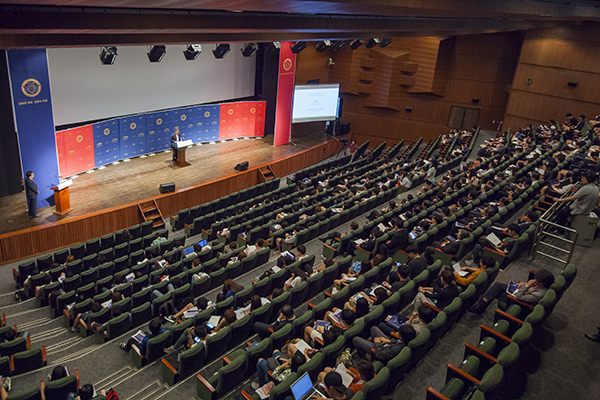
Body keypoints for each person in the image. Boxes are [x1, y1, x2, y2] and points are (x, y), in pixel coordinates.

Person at [469, 269, 555, 314]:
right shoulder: (539, 285)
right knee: (497, 285)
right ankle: (482, 304)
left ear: (541, 283)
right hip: (520, 290)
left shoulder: (539, 294)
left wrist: (526, 286)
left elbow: (520, 297)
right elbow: (531, 286)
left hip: (517, 300)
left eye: (536, 279)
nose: (534, 280)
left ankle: (481, 304)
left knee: (495, 291)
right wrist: (523, 284)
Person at [352, 324, 417, 364]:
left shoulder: (396, 349)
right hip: (389, 345)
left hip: (380, 351)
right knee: (374, 328)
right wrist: (388, 340)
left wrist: (377, 342)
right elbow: (397, 342)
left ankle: (363, 360)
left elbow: (379, 354)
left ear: (400, 337)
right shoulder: (407, 339)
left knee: (356, 339)